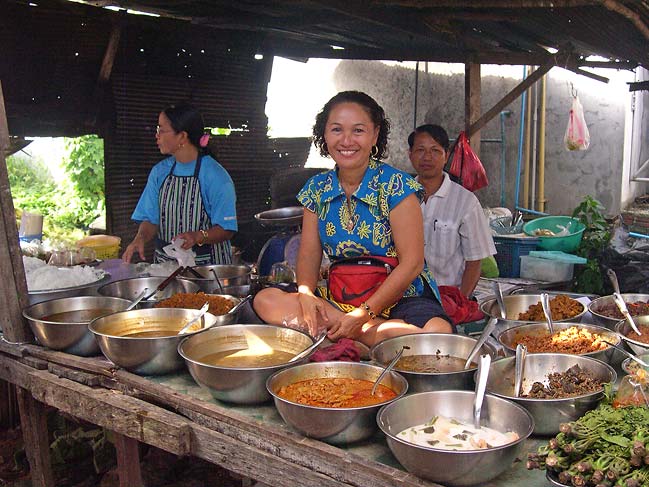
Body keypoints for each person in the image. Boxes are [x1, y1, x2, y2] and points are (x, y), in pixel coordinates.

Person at [253, 91, 452, 347]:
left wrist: (362, 315)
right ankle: (375, 337)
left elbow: (412, 264)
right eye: (337, 130)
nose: (346, 140)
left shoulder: (397, 186)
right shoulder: (317, 189)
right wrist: (305, 292)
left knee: (438, 331)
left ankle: (352, 332)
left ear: (374, 134)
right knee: (266, 299)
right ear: (324, 134)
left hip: (400, 296)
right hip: (341, 293)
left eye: (358, 131)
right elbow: (309, 255)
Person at [122, 103, 237, 265]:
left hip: (207, 269)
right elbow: (151, 220)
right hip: (165, 268)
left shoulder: (215, 176)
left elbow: (227, 229)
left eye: (162, 129)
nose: (157, 135)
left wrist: (197, 236)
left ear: (182, 136)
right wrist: (139, 238)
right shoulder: (159, 172)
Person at [408, 124, 495, 297]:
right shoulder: (400, 196)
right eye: (420, 150)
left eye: (435, 150)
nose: (427, 157)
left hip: (448, 296)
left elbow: (474, 261)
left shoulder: (466, 202)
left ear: (446, 156)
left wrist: (460, 301)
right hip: (405, 297)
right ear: (410, 155)